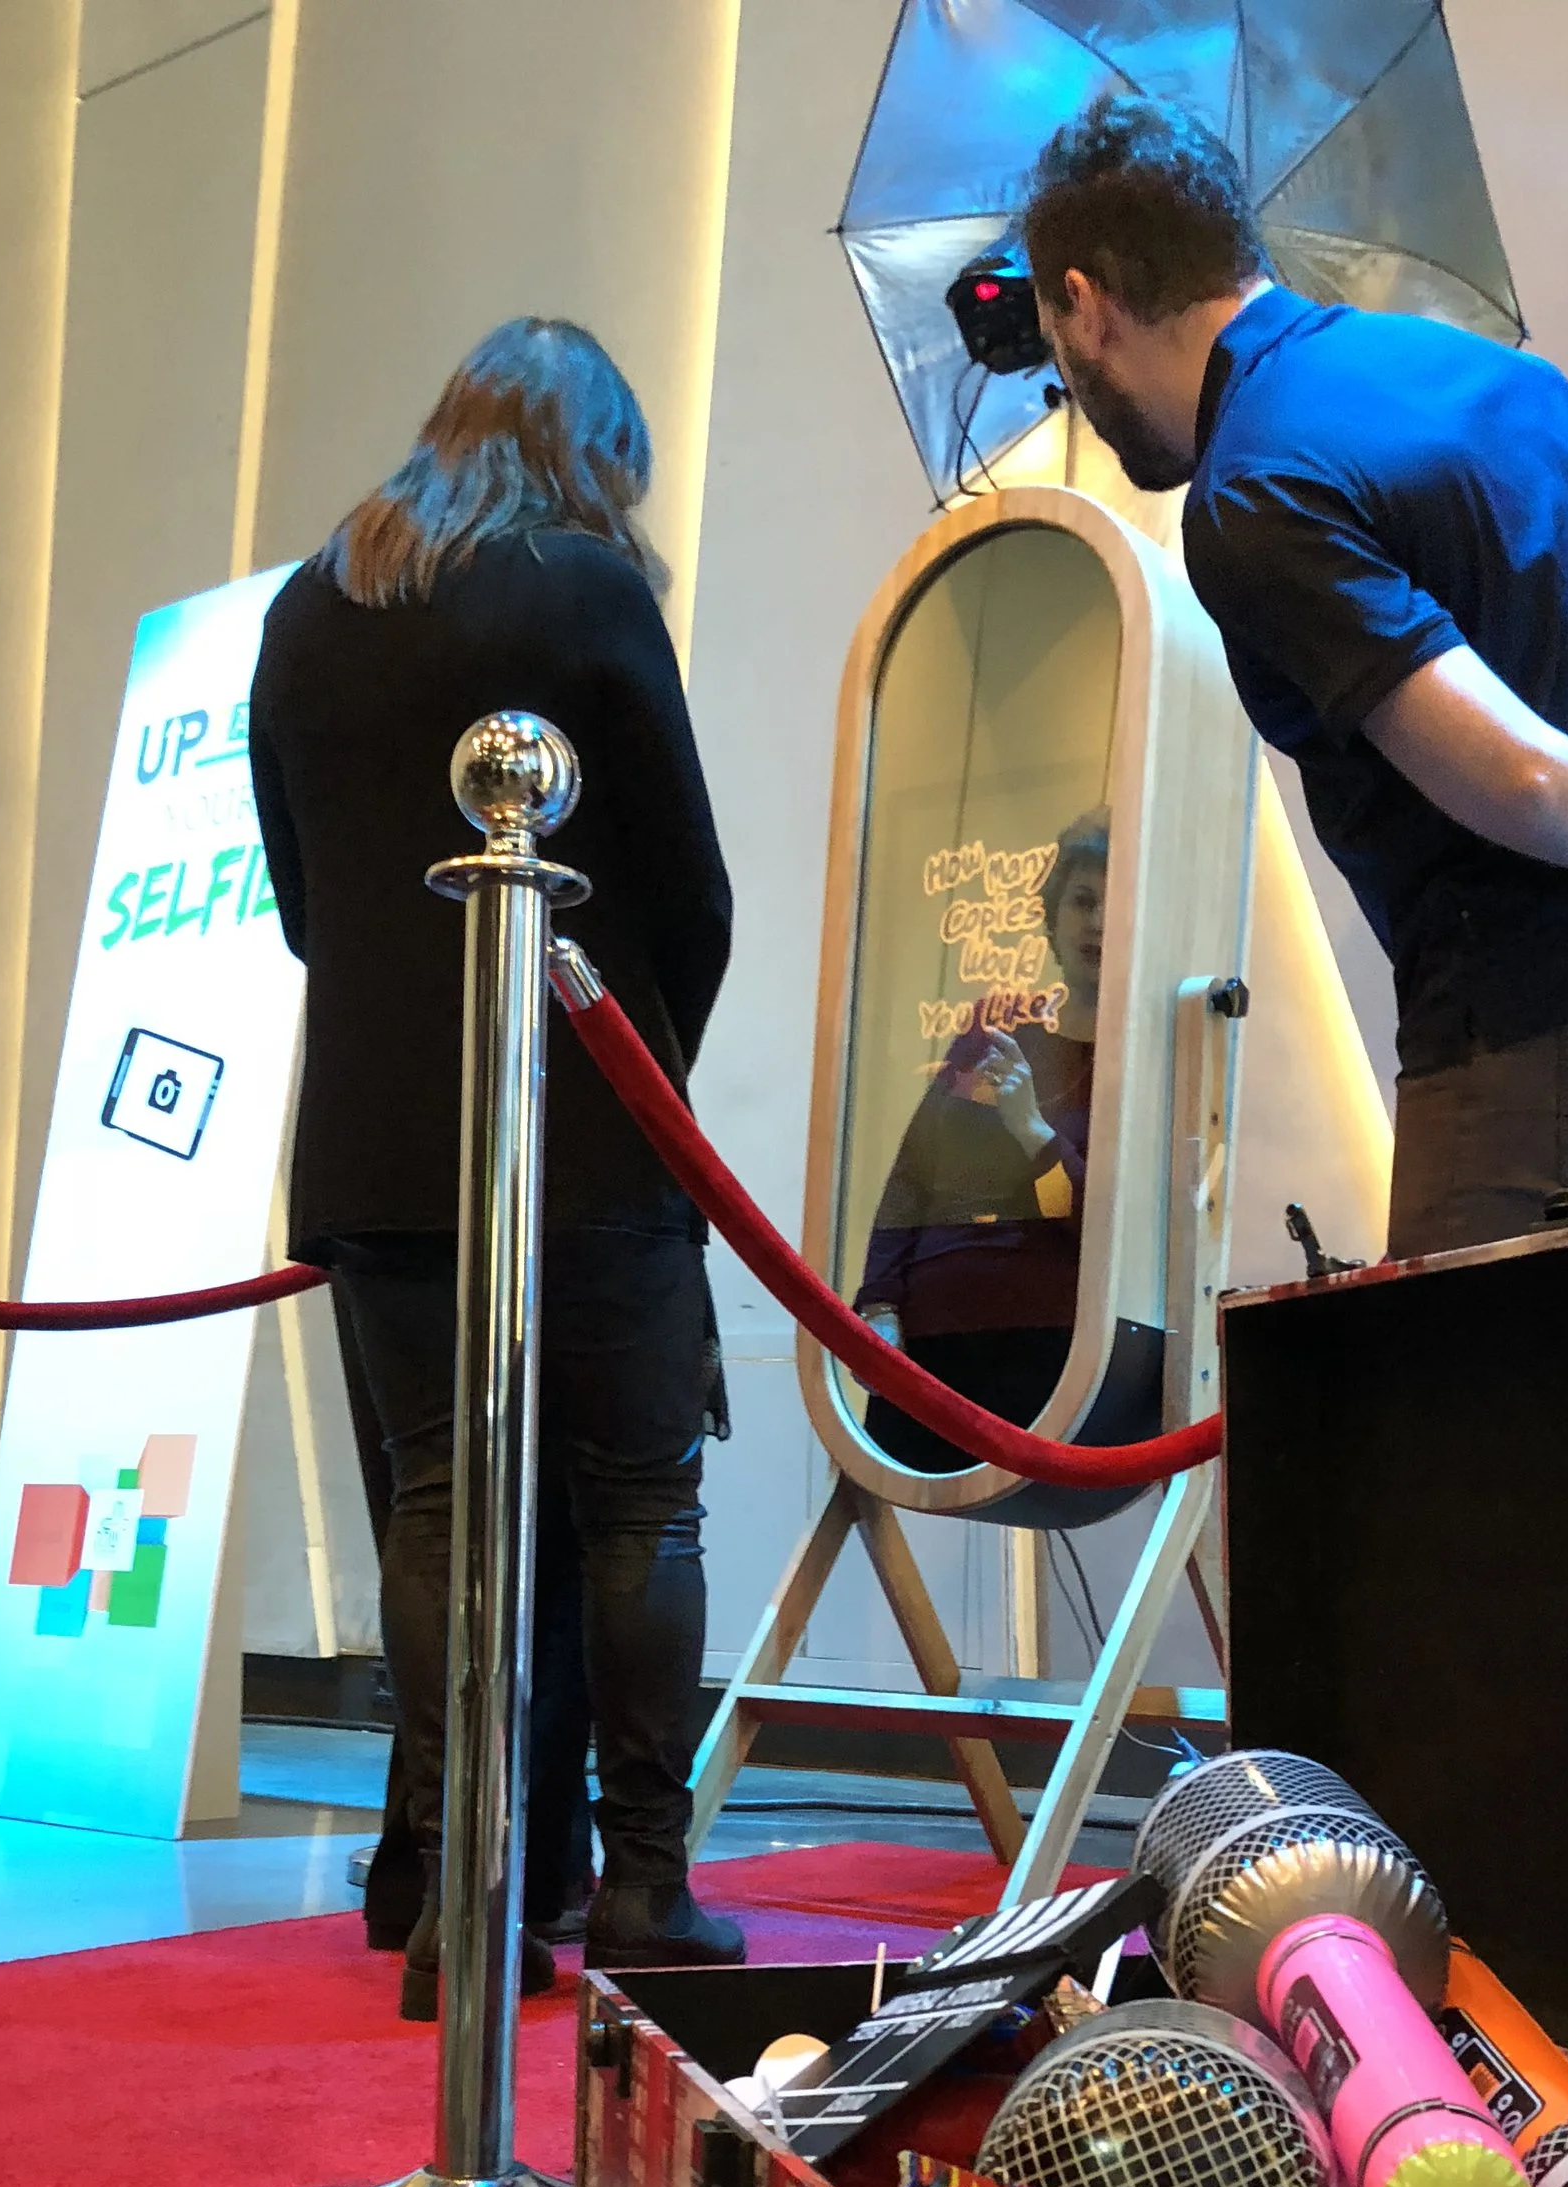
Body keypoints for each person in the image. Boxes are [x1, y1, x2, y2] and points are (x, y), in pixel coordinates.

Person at [1019, 99, 1568, 1258]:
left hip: (1550, 1023)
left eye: (1051, 337)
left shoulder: (1252, 490)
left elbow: (1516, 780)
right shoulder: (1487, 372)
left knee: (1469, 1429)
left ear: (1084, 306)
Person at [249, 315, 744, 2007]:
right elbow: (691, 890)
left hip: (376, 1140)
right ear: (599, 448)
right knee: (635, 1508)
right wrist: (643, 1064)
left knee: (442, 1508)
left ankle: (462, 1900)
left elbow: (300, 901)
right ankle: (646, 1887)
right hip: (587, 1129)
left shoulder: (307, 608)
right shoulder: (590, 589)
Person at [857, 810, 1106, 1469]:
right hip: (928, 1339)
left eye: (1118, 902)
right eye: (1083, 900)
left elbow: (1098, 1227)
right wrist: (877, 1302)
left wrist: (1031, 1129)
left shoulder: (1140, 1062)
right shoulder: (991, 1032)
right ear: (1054, 915)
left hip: (1045, 1354)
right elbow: (912, 1176)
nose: (1099, 922)